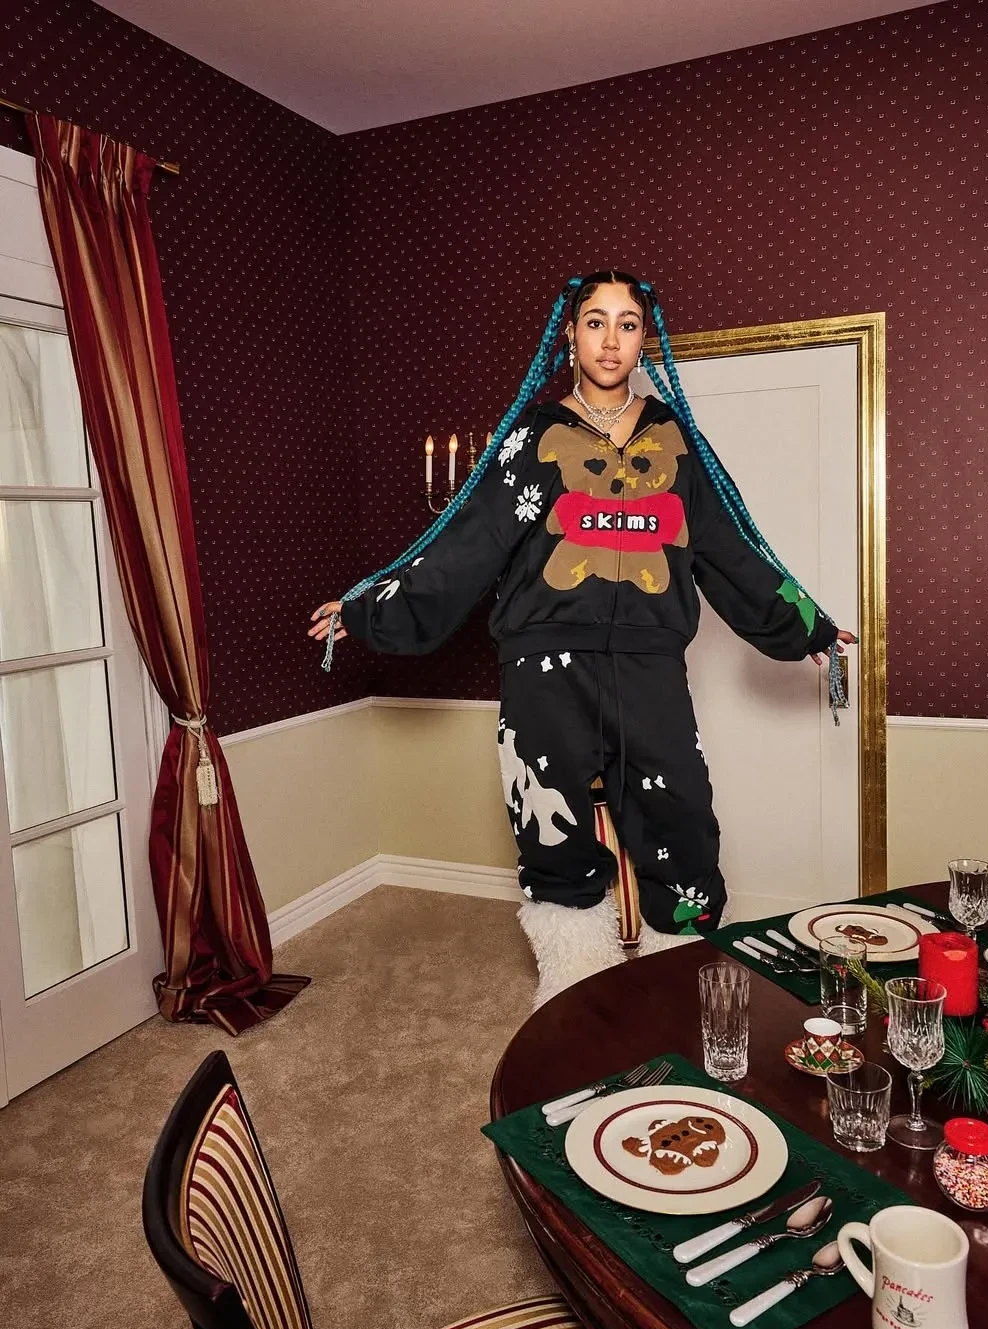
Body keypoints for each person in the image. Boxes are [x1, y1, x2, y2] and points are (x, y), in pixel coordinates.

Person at [309, 271, 855, 1006]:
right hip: (542, 666)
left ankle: (674, 976)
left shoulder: (677, 440)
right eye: (595, 322)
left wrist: (804, 625)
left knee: (682, 818)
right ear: (570, 336)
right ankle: (572, 987)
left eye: (627, 324)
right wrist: (368, 609)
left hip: (649, 665)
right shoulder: (533, 437)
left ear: (643, 339)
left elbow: (729, 548)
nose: (610, 339)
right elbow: (466, 546)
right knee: (550, 825)